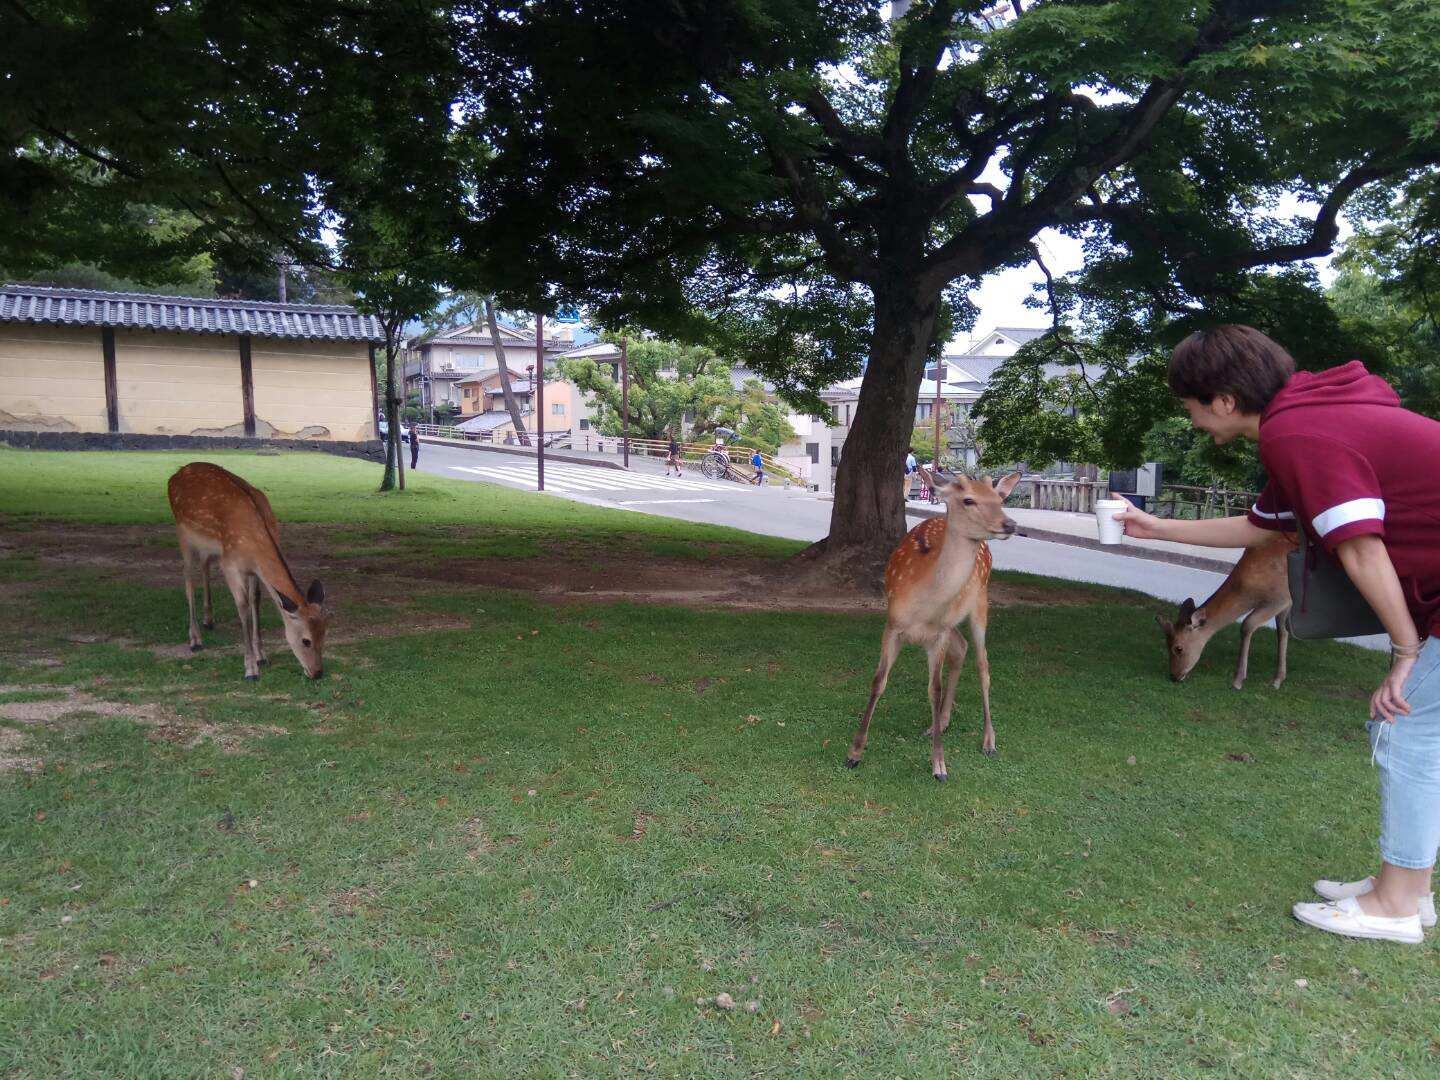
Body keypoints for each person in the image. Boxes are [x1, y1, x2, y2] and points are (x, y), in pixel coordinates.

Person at [1115, 324, 1440, 944]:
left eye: (1190, 407)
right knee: (1419, 730)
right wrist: (1158, 528)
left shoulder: (1298, 433)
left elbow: (1361, 546)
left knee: (1405, 727)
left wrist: (1404, 650)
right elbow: (1263, 526)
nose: (1191, 421)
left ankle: (1395, 905)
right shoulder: (1306, 420)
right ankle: (1407, 889)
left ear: (1224, 401)